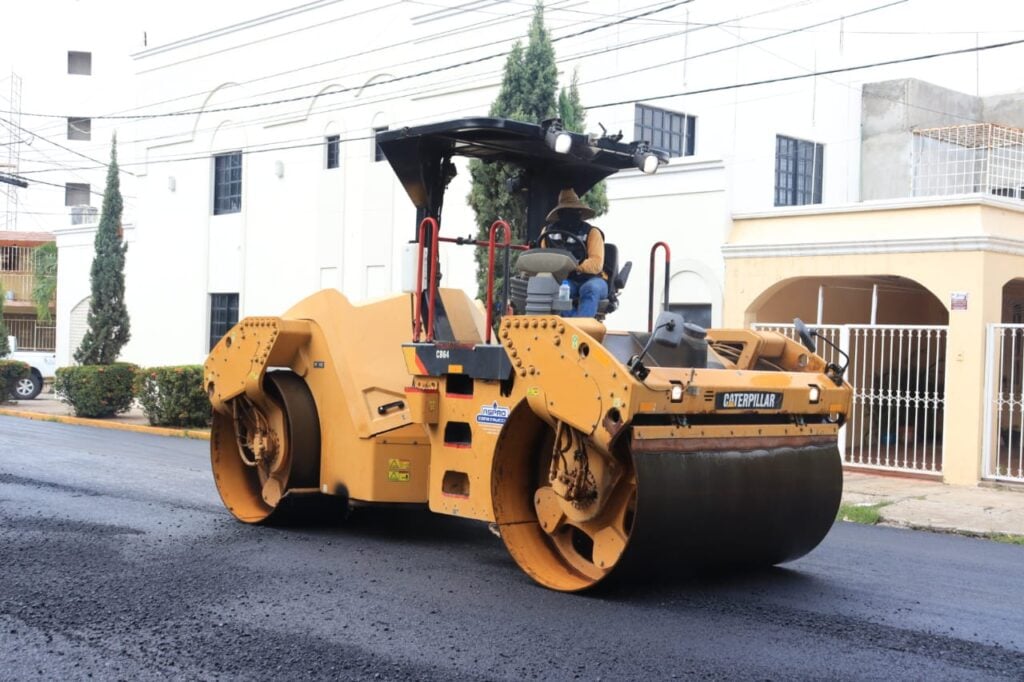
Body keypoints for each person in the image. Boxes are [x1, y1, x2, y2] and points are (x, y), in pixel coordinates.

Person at [539, 188, 607, 318]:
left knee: (590, 289)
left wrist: (572, 265)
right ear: (559, 214)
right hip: (565, 280)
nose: (569, 215)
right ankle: (574, 327)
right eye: (565, 211)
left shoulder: (592, 233)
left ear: (579, 212)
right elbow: (544, 259)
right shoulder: (547, 232)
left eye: (573, 211)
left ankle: (581, 329)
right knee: (559, 290)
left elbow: (596, 263)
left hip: (593, 279)